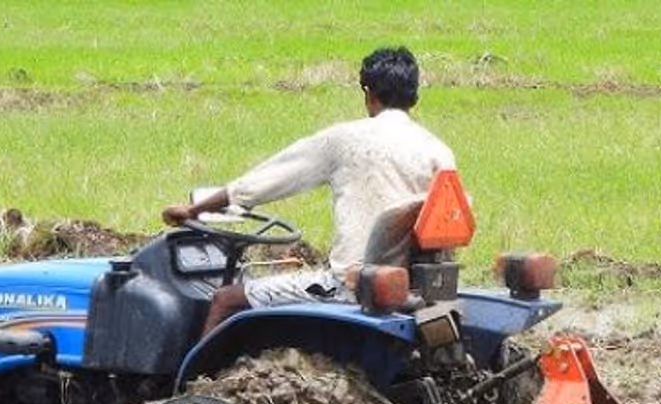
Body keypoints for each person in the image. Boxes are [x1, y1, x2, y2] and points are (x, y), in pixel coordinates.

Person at [162, 47, 456, 335]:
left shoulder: (347, 140)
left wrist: (193, 210)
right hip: (413, 288)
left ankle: (196, 384)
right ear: (413, 96)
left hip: (349, 286)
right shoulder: (439, 151)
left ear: (368, 93)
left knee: (225, 300)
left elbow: (266, 181)